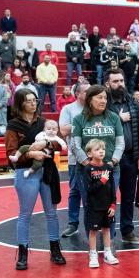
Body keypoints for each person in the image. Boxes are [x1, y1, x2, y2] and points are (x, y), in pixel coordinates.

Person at [6, 90, 66, 270]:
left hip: (47, 171)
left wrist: (47, 144)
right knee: (25, 214)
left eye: (35, 100)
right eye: (29, 101)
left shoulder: (43, 122)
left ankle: (55, 249)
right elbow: (10, 153)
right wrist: (31, 153)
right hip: (26, 171)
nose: (33, 103)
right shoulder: (13, 124)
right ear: (20, 103)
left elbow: (60, 142)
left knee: (52, 213)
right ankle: (23, 253)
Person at [70, 85, 124, 245]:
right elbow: (75, 146)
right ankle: (92, 245)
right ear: (90, 99)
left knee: (110, 204)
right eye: (99, 97)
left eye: (105, 98)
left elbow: (120, 143)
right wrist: (88, 165)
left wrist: (112, 162)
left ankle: (110, 243)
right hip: (86, 171)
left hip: (111, 170)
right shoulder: (79, 119)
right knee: (89, 205)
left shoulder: (113, 117)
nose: (103, 100)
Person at [105, 69, 139, 245]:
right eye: (115, 81)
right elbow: (98, 125)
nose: (120, 84)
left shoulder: (132, 101)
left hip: (131, 156)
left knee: (129, 196)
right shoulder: (103, 102)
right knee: (108, 197)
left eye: (121, 80)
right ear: (108, 84)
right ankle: (108, 234)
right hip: (110, 158)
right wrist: (118, 119)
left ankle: (127, 231)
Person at [82, 139, 120, 268]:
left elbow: (112, 188)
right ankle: (93, 254)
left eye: (102, 149)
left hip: (107, 206)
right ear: (89, 154)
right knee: (93, 230)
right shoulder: (88, 169)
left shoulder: (108, 167)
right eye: (97, 149)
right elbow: (89, 189)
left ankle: (107, 252)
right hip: (94, 206)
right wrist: (102, 181)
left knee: (107, 229)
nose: (101, 151)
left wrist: (113, 204)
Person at [59, 82, 89, 238]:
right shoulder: (68, 109)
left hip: (95, 158)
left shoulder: (95, 107)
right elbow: (63, 130)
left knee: (95, 191)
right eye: (86, 91)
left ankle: (94, 223)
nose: (89, 93)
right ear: (77, 93)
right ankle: (73, 223)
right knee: (75, 190)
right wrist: (82, 124)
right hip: (75, 158)